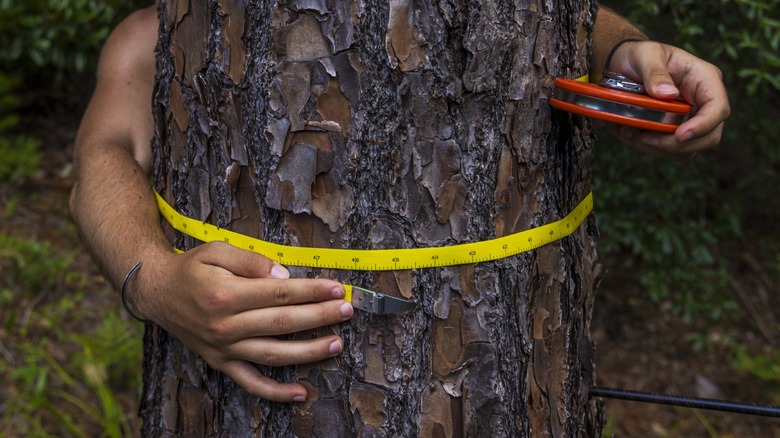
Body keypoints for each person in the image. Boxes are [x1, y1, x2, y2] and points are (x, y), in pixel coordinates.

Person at [69, 1, 729, 405]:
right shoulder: (171, 28)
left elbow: (549, 15)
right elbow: (102, 152)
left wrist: (623, 51)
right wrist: (151, 280)